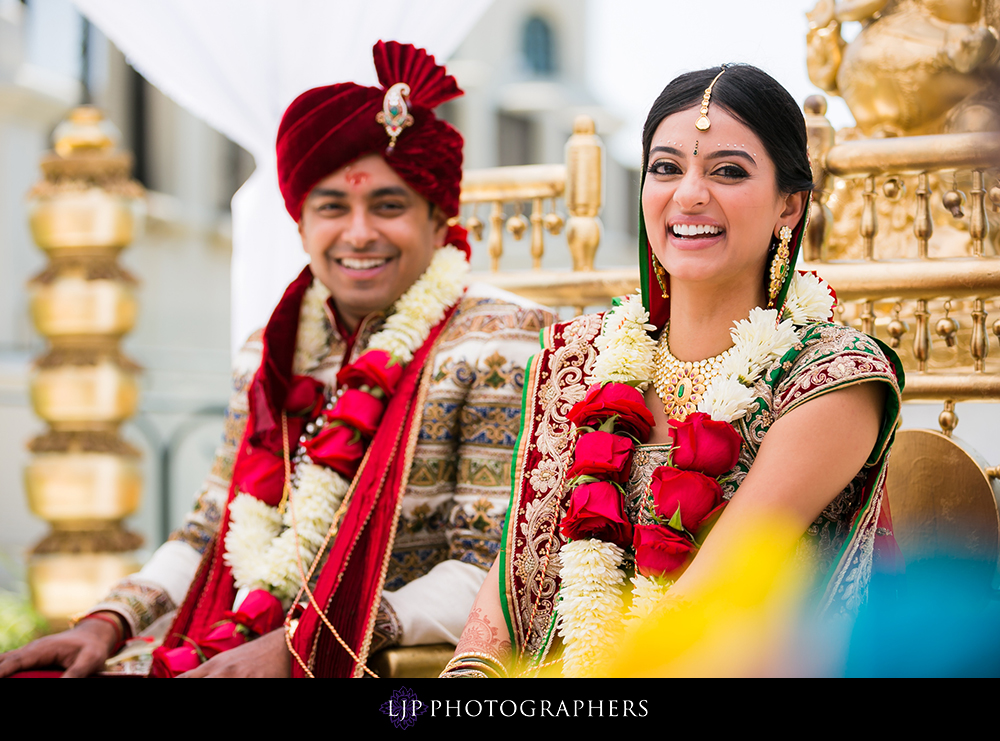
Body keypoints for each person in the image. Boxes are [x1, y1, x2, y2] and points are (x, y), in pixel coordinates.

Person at [1, 41, 554, 679]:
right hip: (240, 639)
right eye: (331, 207)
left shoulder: (505, 340)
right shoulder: (271, 350)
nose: (358, 232)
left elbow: (495, 565)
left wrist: (307, 643)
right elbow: (211, 531)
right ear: (299, 224)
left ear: (439, 221)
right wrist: (109, 620)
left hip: (377, 662)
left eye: (389, 205)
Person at [442, 64, 904, 679]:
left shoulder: (832, 379)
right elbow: (503, 601)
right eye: (666, 168)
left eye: (729, 171)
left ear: (789, 206)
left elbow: (704, 605)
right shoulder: (578, 360)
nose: (689, 194)